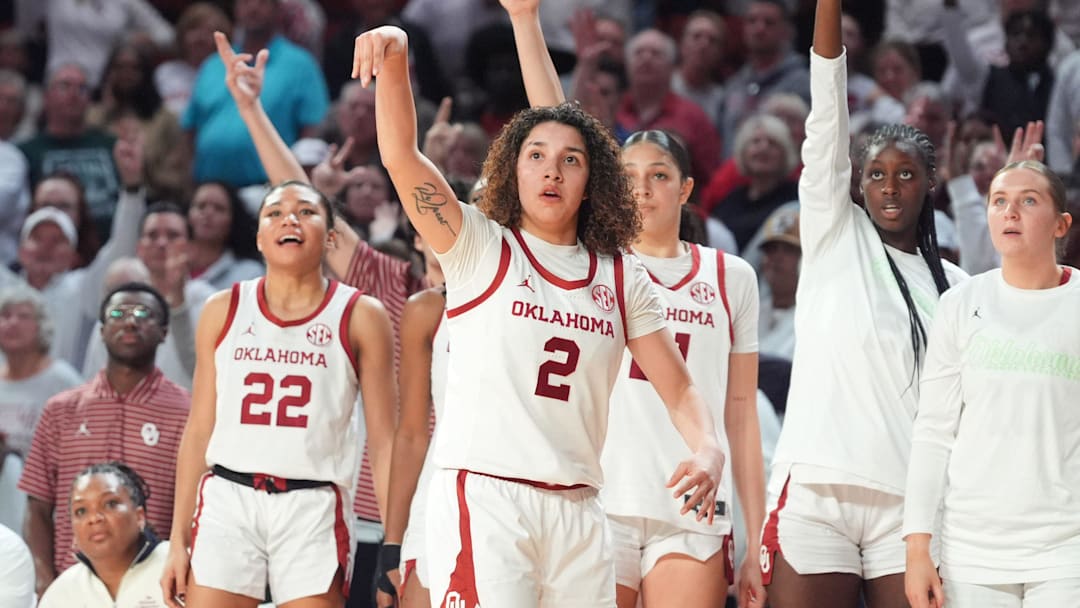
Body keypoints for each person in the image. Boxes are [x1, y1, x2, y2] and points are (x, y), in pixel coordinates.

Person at [354, 1, 725, 603]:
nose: (552, 171)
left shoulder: (620, 275)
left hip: (581, 510)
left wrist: (709, 447)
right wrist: (397, 58)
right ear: (513, 171)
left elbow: (680, 388)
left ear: (591, 181)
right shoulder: (479, 245)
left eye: (570, 161)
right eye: (536, 157)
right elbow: (401, 157)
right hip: (488, 500)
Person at [759, 1, 968, 607]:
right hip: (815, 492)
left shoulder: (957, 287)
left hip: (911, 506)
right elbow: (827, 109)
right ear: (857, 182)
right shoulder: (833, 232)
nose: (890, 187)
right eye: (876, 174)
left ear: (930, 184)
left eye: (906, 175)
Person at [159, 180, 397, 606]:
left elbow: (384, 444)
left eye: (306, 211)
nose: (290, 220)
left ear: (331, 237)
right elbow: (198, 431)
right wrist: (178, 541)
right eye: (274, 213)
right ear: (259, 238)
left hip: (314, 503)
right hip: (228, 497)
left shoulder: (362, 314)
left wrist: (395, 541)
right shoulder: (222, 309)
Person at [601, 129, 767, 608]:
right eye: (629, 176)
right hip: (604, 496)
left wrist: (755, 542)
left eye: (659, 175)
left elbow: (741, 416)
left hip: (693, 504)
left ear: (686, 188)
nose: (642, 188)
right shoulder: (595, 265)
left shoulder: (732, 277)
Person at [903, 160, 1079, 608]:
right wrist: (917, 545)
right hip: (972, 550)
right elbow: (933, 430)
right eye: (999, 201)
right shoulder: (960, 304)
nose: (1010, 212)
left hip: (1066, 550)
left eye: (1028, 200)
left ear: (1061, 225)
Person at [19, 282, 190, 597]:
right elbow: (37, 505)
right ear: (101, 330)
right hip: (72, 581)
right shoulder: (61, 410)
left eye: (143, 314)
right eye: (118, 313)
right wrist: (45, 583)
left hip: (158, 583)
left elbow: (198, 507)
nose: (130, 321)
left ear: (164, 332)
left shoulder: (187, 411)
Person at [38, 463, 170, 607]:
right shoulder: (61, 594)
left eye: (110, 504)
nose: (94, 518)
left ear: (139, 516)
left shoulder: (176, 567)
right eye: (81, 511)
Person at [0, 285, 82, 457]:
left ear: (42, 326)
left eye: (23, 316)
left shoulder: (62, 380)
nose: (13, 323)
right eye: (6, 315)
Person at [186, 181, 264, 290]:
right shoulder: (167, 263)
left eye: (219, 208)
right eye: (201, 206)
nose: (208, 213)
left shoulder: (250, 273)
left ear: (233, 220)